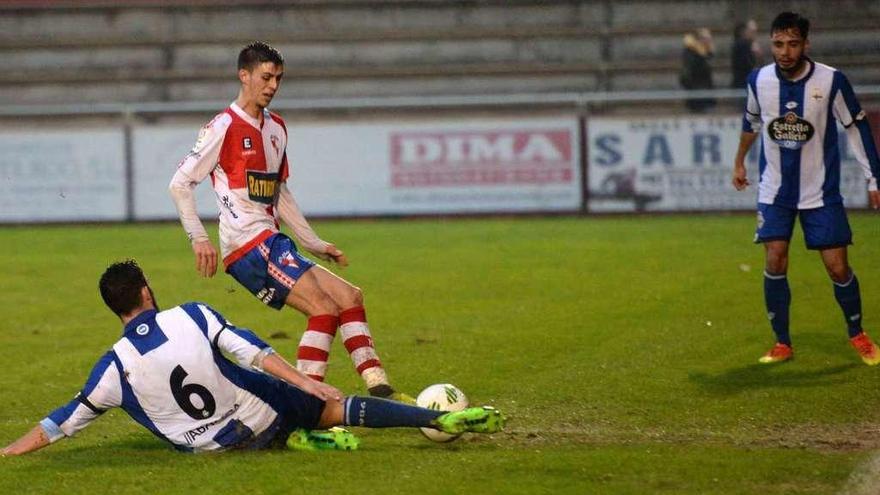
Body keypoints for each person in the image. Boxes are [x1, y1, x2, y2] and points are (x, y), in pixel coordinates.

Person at [0, 260, 505, 456]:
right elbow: (256, 353)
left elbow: (57, 424)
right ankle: (437, 417)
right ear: (148, 292)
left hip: (215, 450)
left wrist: (6, 453)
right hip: (258, 416)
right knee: (326, 405)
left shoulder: (111, 367)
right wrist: (308, 384)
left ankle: (299, 438)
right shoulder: (191, 314)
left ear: (115, 309)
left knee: (244, 398)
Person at [168, 42, 409, 402]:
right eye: (265, 77)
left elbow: (279, 192)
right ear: (244, 75)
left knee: (349, 296)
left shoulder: (277, 128)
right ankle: (308, 405)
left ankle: (379, 385)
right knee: (324, 309)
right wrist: (198, 237)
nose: (272, 85)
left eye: (278, 78)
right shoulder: (223, 127)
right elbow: (180, 182)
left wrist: (313, 242)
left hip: (272, 242)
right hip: (247, 247)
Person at [732, 12, 880, 365]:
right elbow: (751, 122)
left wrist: (873, 178)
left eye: (793, 44)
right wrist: (739, 161)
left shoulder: (831, 81)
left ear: (806, 44)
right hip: (775, 192)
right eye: (778, 44)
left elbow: (856, 128)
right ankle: (782, 342)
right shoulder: (759, 80)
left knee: (837, 267)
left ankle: (857, 334)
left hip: (821, 192)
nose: (784, 52)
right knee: (775, 259)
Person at [680, 27, 716, 113]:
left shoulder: (707, 52)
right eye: (705, 38)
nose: (708, 41)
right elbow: (692, 70)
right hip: (696, 89)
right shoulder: (691, 52)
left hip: (706, 89)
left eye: (709, 38)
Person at [730, 19, 762, 89]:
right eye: (752, 31)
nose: (754, 34)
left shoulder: (752, 45)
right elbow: (745, 65)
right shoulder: (741, 45)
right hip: (743, 84)